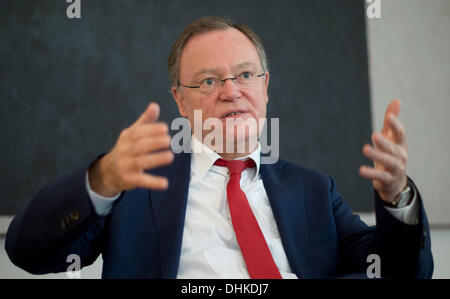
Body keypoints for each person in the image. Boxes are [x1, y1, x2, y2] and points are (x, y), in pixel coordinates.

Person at [5, 16, 433, 279]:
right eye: (209, 81)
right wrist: (100, 181)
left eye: (246, 74)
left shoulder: (315, 190)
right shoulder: (136, 183)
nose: (232, 92)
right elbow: (29, 253)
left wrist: (396, 198)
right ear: (179, 99)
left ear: (265, 87)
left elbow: (399, 272)